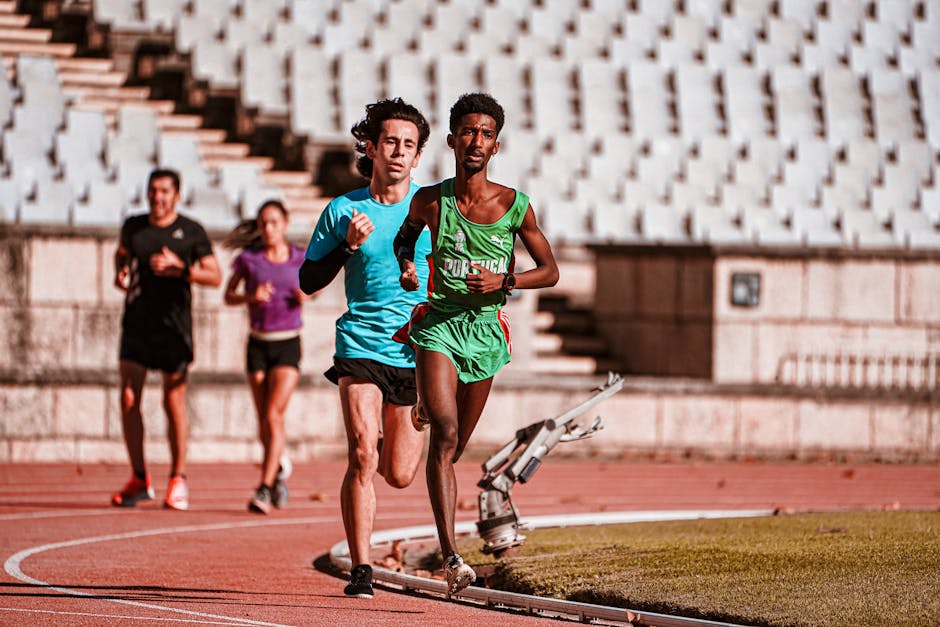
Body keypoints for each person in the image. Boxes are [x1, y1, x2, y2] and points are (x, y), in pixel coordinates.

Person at [394, 93, 559, 596]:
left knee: (456, 446)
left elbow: (550, 272)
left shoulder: (515, 206)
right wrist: (406, 264)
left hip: (485, 330)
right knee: (444, 435)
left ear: (496, 145)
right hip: (440, 323)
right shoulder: (431, 200)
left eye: (486, 133)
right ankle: (450, 557)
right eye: (468, 131)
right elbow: (406, 237)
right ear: (451, 139)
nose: (476, 141)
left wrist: (504, 281)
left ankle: (425, 407)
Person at [298, 98, 433, 599]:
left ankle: (400, 428)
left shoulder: (432, 210)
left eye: (409, 145)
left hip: (414, 350)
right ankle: (362, 569)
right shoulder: (343, 210)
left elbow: (453, 277)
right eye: (391, 142)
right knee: (361, 455)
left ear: (418, 157)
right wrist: (347, 246)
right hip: (360, 344)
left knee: (398, 473)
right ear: (372, 148)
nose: (399, 152)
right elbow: (309, 279)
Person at [111, 168, 222, 510]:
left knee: (172, 401)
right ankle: (139, 477)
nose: (157, 198)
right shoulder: (134, 227)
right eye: (152, 191)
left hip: (174, 330)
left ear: (176, 195)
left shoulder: (191, 232)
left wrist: (181, 269)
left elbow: (215, 275)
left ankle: (178, 477)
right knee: (129, 397)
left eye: (164, 192)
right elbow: (121, 253)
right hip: (137, 326)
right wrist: (122, 269)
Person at [223, 200, 311, 514]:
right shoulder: (249, 260)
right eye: (263, 223)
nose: (268, 229)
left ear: (285, 223)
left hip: (287, 343)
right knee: (264, 419)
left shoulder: (300, 257)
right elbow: (228, 295)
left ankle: (263, 486)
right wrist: (251, 296)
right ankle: (277, 474)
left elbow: (314, 285)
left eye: (274, 222)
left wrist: (307, 293)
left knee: (274, 415)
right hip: (257, 343)